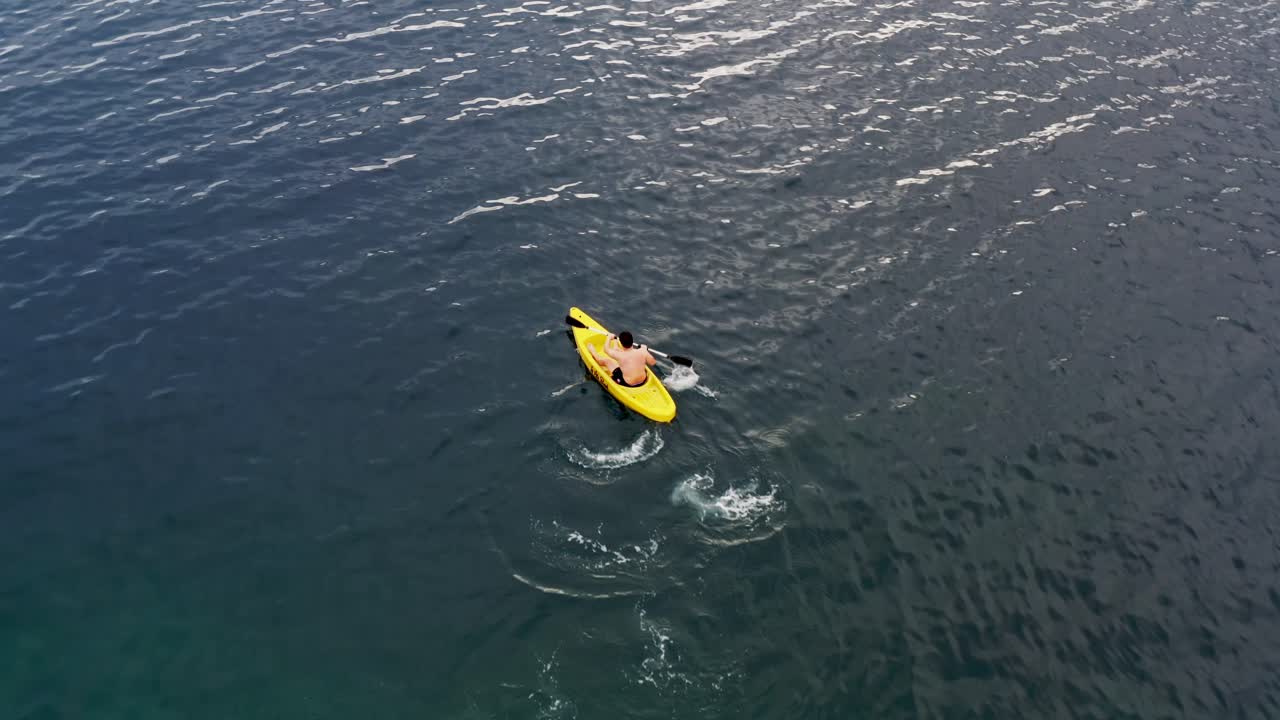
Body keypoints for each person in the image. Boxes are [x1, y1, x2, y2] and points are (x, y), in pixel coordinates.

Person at [589, 330, 656, 387]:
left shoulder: (619, 355)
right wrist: (645, 349)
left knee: (607, 361)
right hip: (643, 381)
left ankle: (592, 351)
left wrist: (609, 337)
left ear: (621, 343)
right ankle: (615, 342)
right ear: (632, 341)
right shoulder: (642, 351)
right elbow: (653, 362)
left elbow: (606, 350)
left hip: (627, 383)